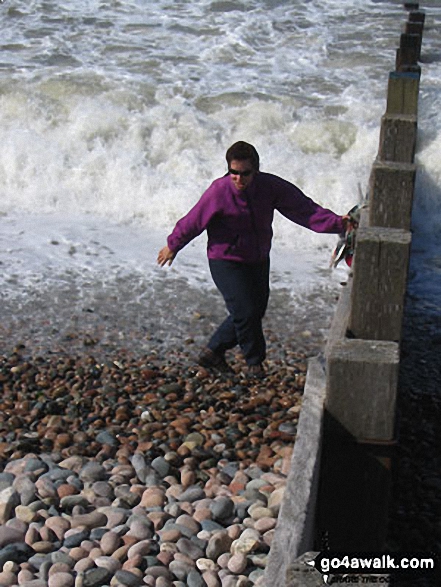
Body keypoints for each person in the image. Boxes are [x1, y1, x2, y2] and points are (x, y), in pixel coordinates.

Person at [157, 141, 350, 377]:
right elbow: (193, 221)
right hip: (225, 259)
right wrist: (173, 245)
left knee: (254, 310)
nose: (239, 179)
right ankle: (254, 364)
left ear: (255, 170)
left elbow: (305, 210)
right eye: (233, 173)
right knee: (245, 310)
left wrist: (339, 223)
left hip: (257, 258)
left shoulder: (270, 187)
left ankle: (212, 352)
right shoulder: (219, 191)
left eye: (245, 173)